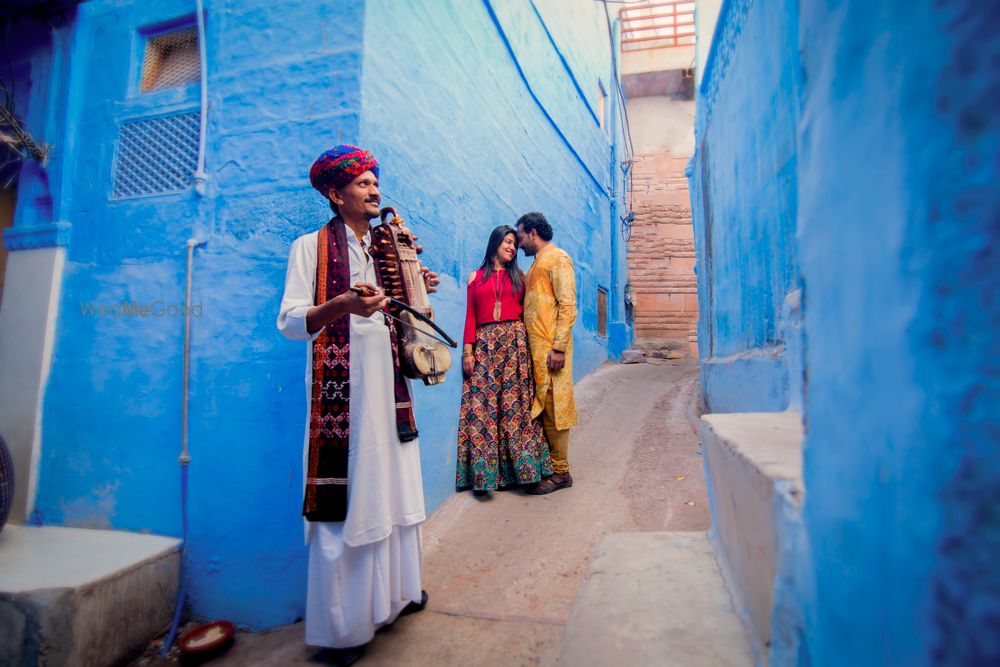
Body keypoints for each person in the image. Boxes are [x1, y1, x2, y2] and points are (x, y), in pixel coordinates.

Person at [277, 144, 439, 665]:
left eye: (375, 182)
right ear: (335, 193)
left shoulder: (388, 248)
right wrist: (344, 303)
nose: (374, 190)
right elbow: (291, 322)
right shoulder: (310, 248)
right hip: (344, 397)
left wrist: (418, 284)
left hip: (390, 390)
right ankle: (343, 630)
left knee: (392, 486)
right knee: (351, 498)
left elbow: (406, 313)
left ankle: (397, 596)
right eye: (363, 183)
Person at [456, 225, 552, 494]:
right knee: (483, 408)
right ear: (495, 244)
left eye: (514, 243)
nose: (511, 247)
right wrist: (468, 350)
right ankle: (485, 476)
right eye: (506, 242)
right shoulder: (474, 277)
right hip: (485, 346)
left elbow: (532, 313)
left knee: (516, 409)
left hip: (515, 344)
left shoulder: (521, 277)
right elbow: (471, 316)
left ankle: (525, 471)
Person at [516, 212, 578, 495]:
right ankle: (549, 466)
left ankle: (561, 472)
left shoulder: (558, 259)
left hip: (552, 352)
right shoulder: (536, 265)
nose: (518, 244)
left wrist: (558, 346)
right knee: (543, 410)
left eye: (520, 237)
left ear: (532, 232)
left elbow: (567, 305)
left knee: (555, 411)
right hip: (537, 351)